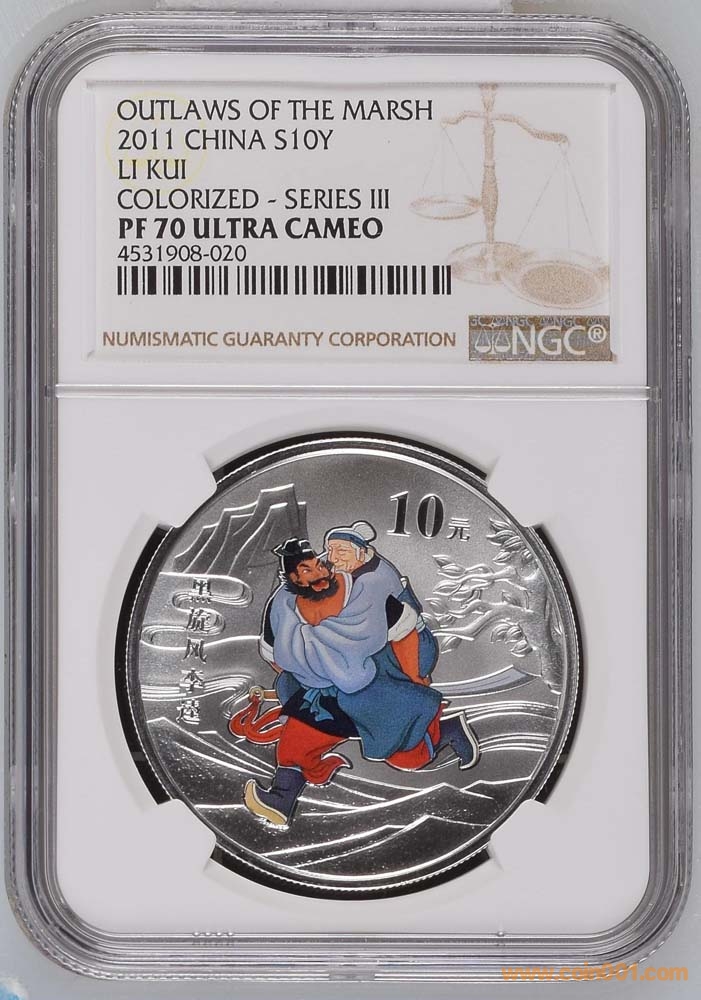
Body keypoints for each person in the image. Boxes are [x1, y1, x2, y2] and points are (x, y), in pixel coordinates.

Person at [233, 536, 480, 828]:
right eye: (307, 570)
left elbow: (405, 632)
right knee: (295, 745)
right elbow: (275, 653)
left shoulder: (366, 592)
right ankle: (281, 800)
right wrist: (309, 674)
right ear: (293, 578)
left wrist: (414, 677)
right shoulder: (282, 608)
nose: (319, 573)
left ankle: (449, 731)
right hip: (322, 695)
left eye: (318, 565)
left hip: (372, 687)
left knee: (407, 756)